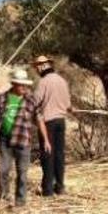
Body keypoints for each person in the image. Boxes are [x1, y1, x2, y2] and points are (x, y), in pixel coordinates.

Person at [0, 69, 51, 207]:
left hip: (23, 141)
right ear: (14, 84)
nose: (24, 87)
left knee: (22, 173)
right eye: (21, 85)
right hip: (5, 140)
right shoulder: (1, 98)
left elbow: (39, 120)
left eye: (25, 85)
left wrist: (46, 140)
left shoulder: (31, 100)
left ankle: (20, 201)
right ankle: (4, 197)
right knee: (3, 170)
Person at [31, 55, 71, 196]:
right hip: (61, 121)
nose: (36, 70)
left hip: (48, 123)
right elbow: (68, 105)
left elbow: (35, 102)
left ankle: (47, 190)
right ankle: (60, 187)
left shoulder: (43, 82)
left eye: (36, 67)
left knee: (48, 155)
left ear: (42, 66)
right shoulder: (62, 81)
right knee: (59, 155)